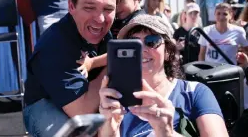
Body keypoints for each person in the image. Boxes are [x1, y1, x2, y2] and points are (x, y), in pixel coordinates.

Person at [97, 14, 229, 137]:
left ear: (168, 51)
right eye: (133, 42)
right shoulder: (116, 99)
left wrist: (166, 132)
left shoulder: (194, 92)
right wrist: (110, 129)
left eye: (152, 41)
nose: (142, 49)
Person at [22, 0, 119, 136]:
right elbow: (82, 112)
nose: (100, 19)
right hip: (45, 104)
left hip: (90, 98)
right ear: (71, 6)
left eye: (108, 9)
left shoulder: (112, 32)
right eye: (89, 7)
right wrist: (114, 63)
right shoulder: (55, 45)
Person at [77, 0, 145, 77]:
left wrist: (92, 62)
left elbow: (124, 51)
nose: (115, 8)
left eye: (120, 1)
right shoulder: (119, 19)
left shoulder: (140, 22)